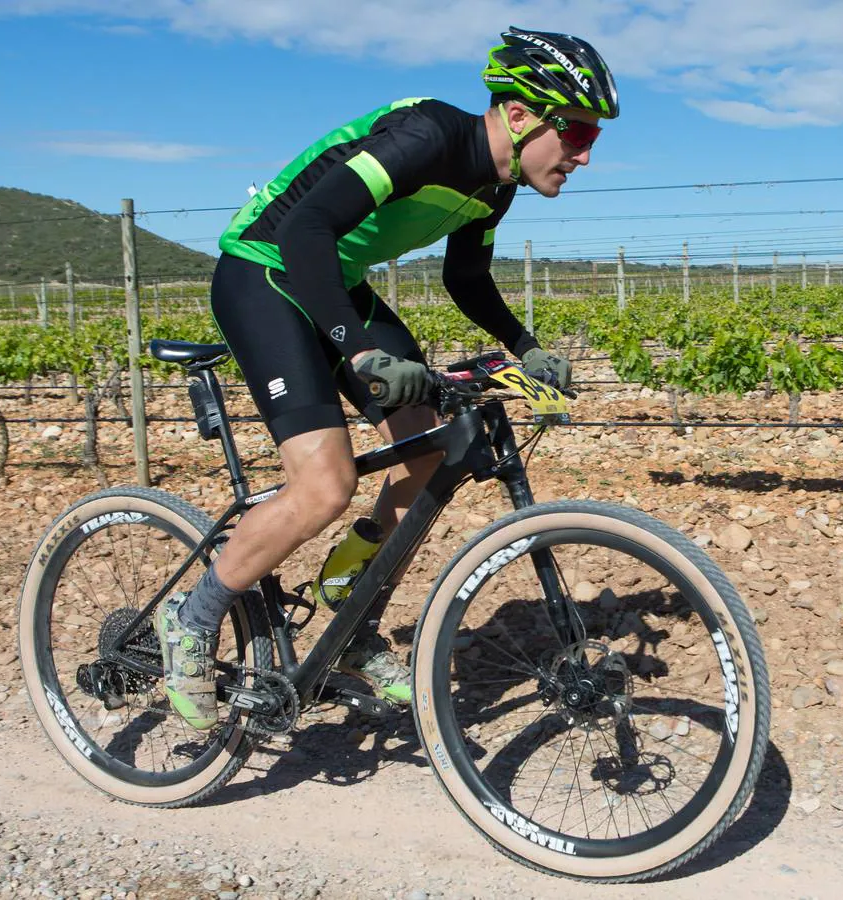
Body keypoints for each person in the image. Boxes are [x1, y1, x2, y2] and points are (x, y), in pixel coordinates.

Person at [153, 27, 620, 730]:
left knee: (429, 450)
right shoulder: (426, 135)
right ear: (519, 116)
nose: (584, 155)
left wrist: (522, 346)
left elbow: (466, 277)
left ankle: (349, 604)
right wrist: (363, 353)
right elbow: (306, 230)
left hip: (333, 283)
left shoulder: (495, 186)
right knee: (325, 483)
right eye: (577, 132)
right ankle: (190, 619)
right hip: (264, 269)